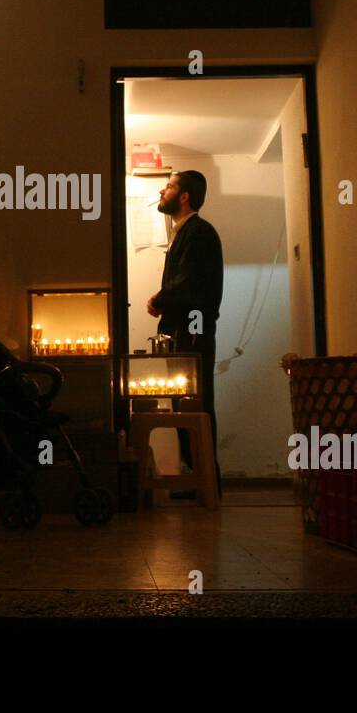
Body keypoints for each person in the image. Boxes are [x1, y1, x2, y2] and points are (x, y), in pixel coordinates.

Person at [146, 169, 224, 496]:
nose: (162, 190)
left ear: (184, 195)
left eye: (170, 186)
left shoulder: (197, 232)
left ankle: (203, 479)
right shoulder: (189, 231)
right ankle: (199, 478)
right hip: (188, 330)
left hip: (191, 332)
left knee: (193, 402)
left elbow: (187, 281)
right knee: (188, 403)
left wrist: (160, 299)